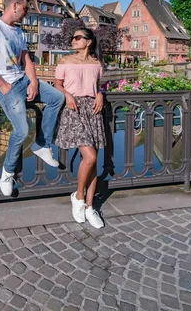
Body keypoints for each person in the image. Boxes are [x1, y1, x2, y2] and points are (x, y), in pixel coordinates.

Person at [0, 0, 65, 196]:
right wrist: (3, 85)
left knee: (57, 98)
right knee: (22, 131)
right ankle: (7, 172)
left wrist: (33, 81)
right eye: (25, 8)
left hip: (22, 80)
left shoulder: (20, 32)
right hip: (5, 85)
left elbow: (26, 60)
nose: (26, 13)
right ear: (14, 5)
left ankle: (41, 144)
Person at [54, 27, 106, 229]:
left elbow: (99, 86)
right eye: (72, 37)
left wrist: (100, 94)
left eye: (78, 37)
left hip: (93, 110)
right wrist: (67, 95)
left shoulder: (97, 63)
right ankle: (78, 196)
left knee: (93, 162)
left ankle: (89, 207)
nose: (73, 40)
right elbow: (57, 84)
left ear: (89, 41)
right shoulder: (66, 61)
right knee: (90, 156)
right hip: (73, 109)